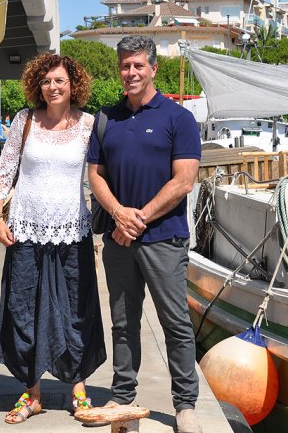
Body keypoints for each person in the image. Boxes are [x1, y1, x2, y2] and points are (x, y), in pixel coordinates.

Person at [87, 36, 202, 433]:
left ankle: (185, 406)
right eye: (124, 66)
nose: (131, 73)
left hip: (165, 239)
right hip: (119, 240)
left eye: (138, 65)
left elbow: (184, 180)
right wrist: (119, 214)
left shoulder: (178, 119)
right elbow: (94, 176)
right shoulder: (106, 118)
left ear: (153, 68)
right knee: (122, 322)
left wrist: (139, 218)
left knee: (176, 324)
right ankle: (123, 398)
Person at [0, 53, 106, 424]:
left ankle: (78, 390)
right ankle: (32, 393)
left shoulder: (89, 125)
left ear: (74, 86)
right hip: (25, 231)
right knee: (23, 310)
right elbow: (4, 173)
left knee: (76, 311)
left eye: (60, 81)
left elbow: (104, 175)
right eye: (46, 81)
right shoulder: (24, 120)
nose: (53, 87)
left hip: (73, 231)